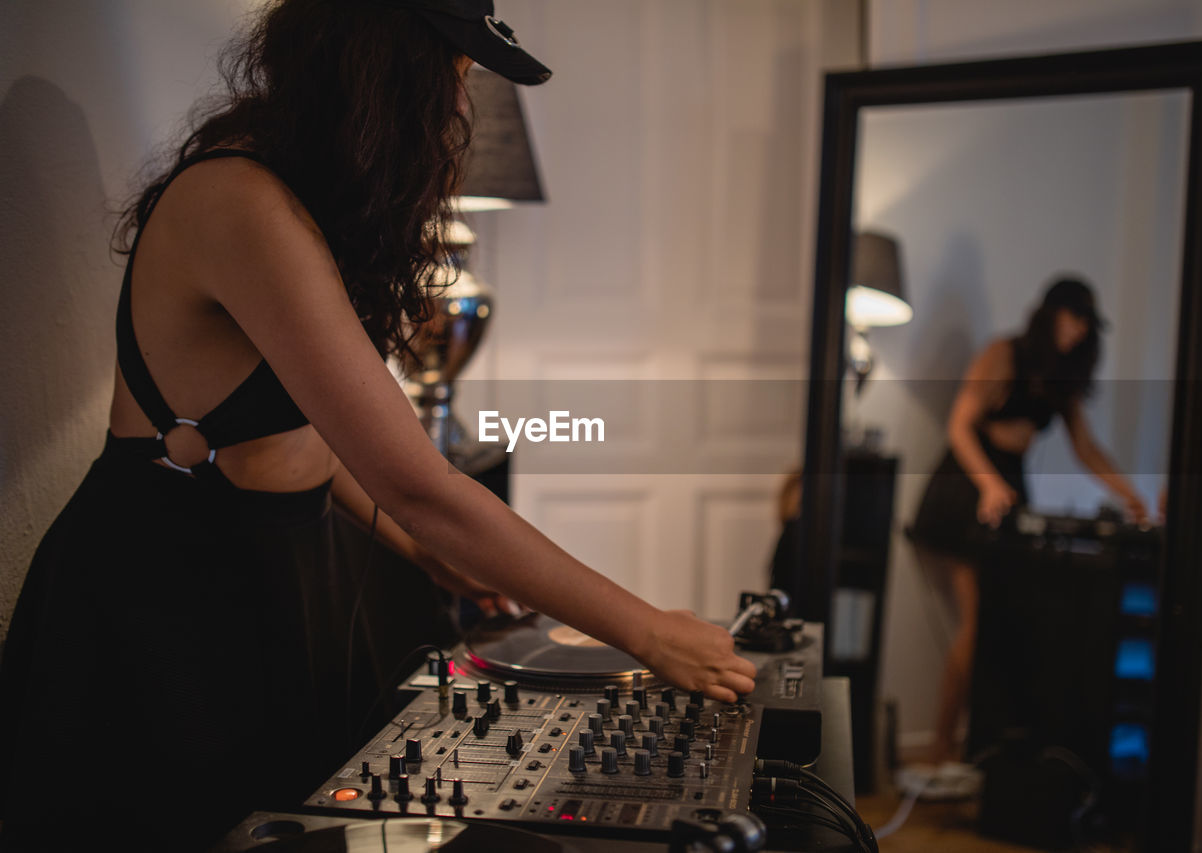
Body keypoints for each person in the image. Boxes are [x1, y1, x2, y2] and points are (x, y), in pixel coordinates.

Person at [0, 1, 755, 848]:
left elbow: (311, 445)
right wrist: (650, 631)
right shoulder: (237, 199)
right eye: (457, 76)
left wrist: (415, 546)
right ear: (382, 69)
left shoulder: (295, 197)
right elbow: (416, 483)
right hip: (163, 596)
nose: (459, 109)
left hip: (269, 573)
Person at [901, 277, 1147, 796]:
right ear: (1051, 314)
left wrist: (1131, 494)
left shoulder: (1060, 378)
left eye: (1085, 325)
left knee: (1009, 625)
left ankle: (982, 750)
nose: (1077, 331)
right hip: (969, 485)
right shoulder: (1003, 353)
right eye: (1071, 318)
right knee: (978, 622)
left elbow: (1086, 447)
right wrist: (989, 485)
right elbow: (960, 426)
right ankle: (940, 749)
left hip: (1011, 486)